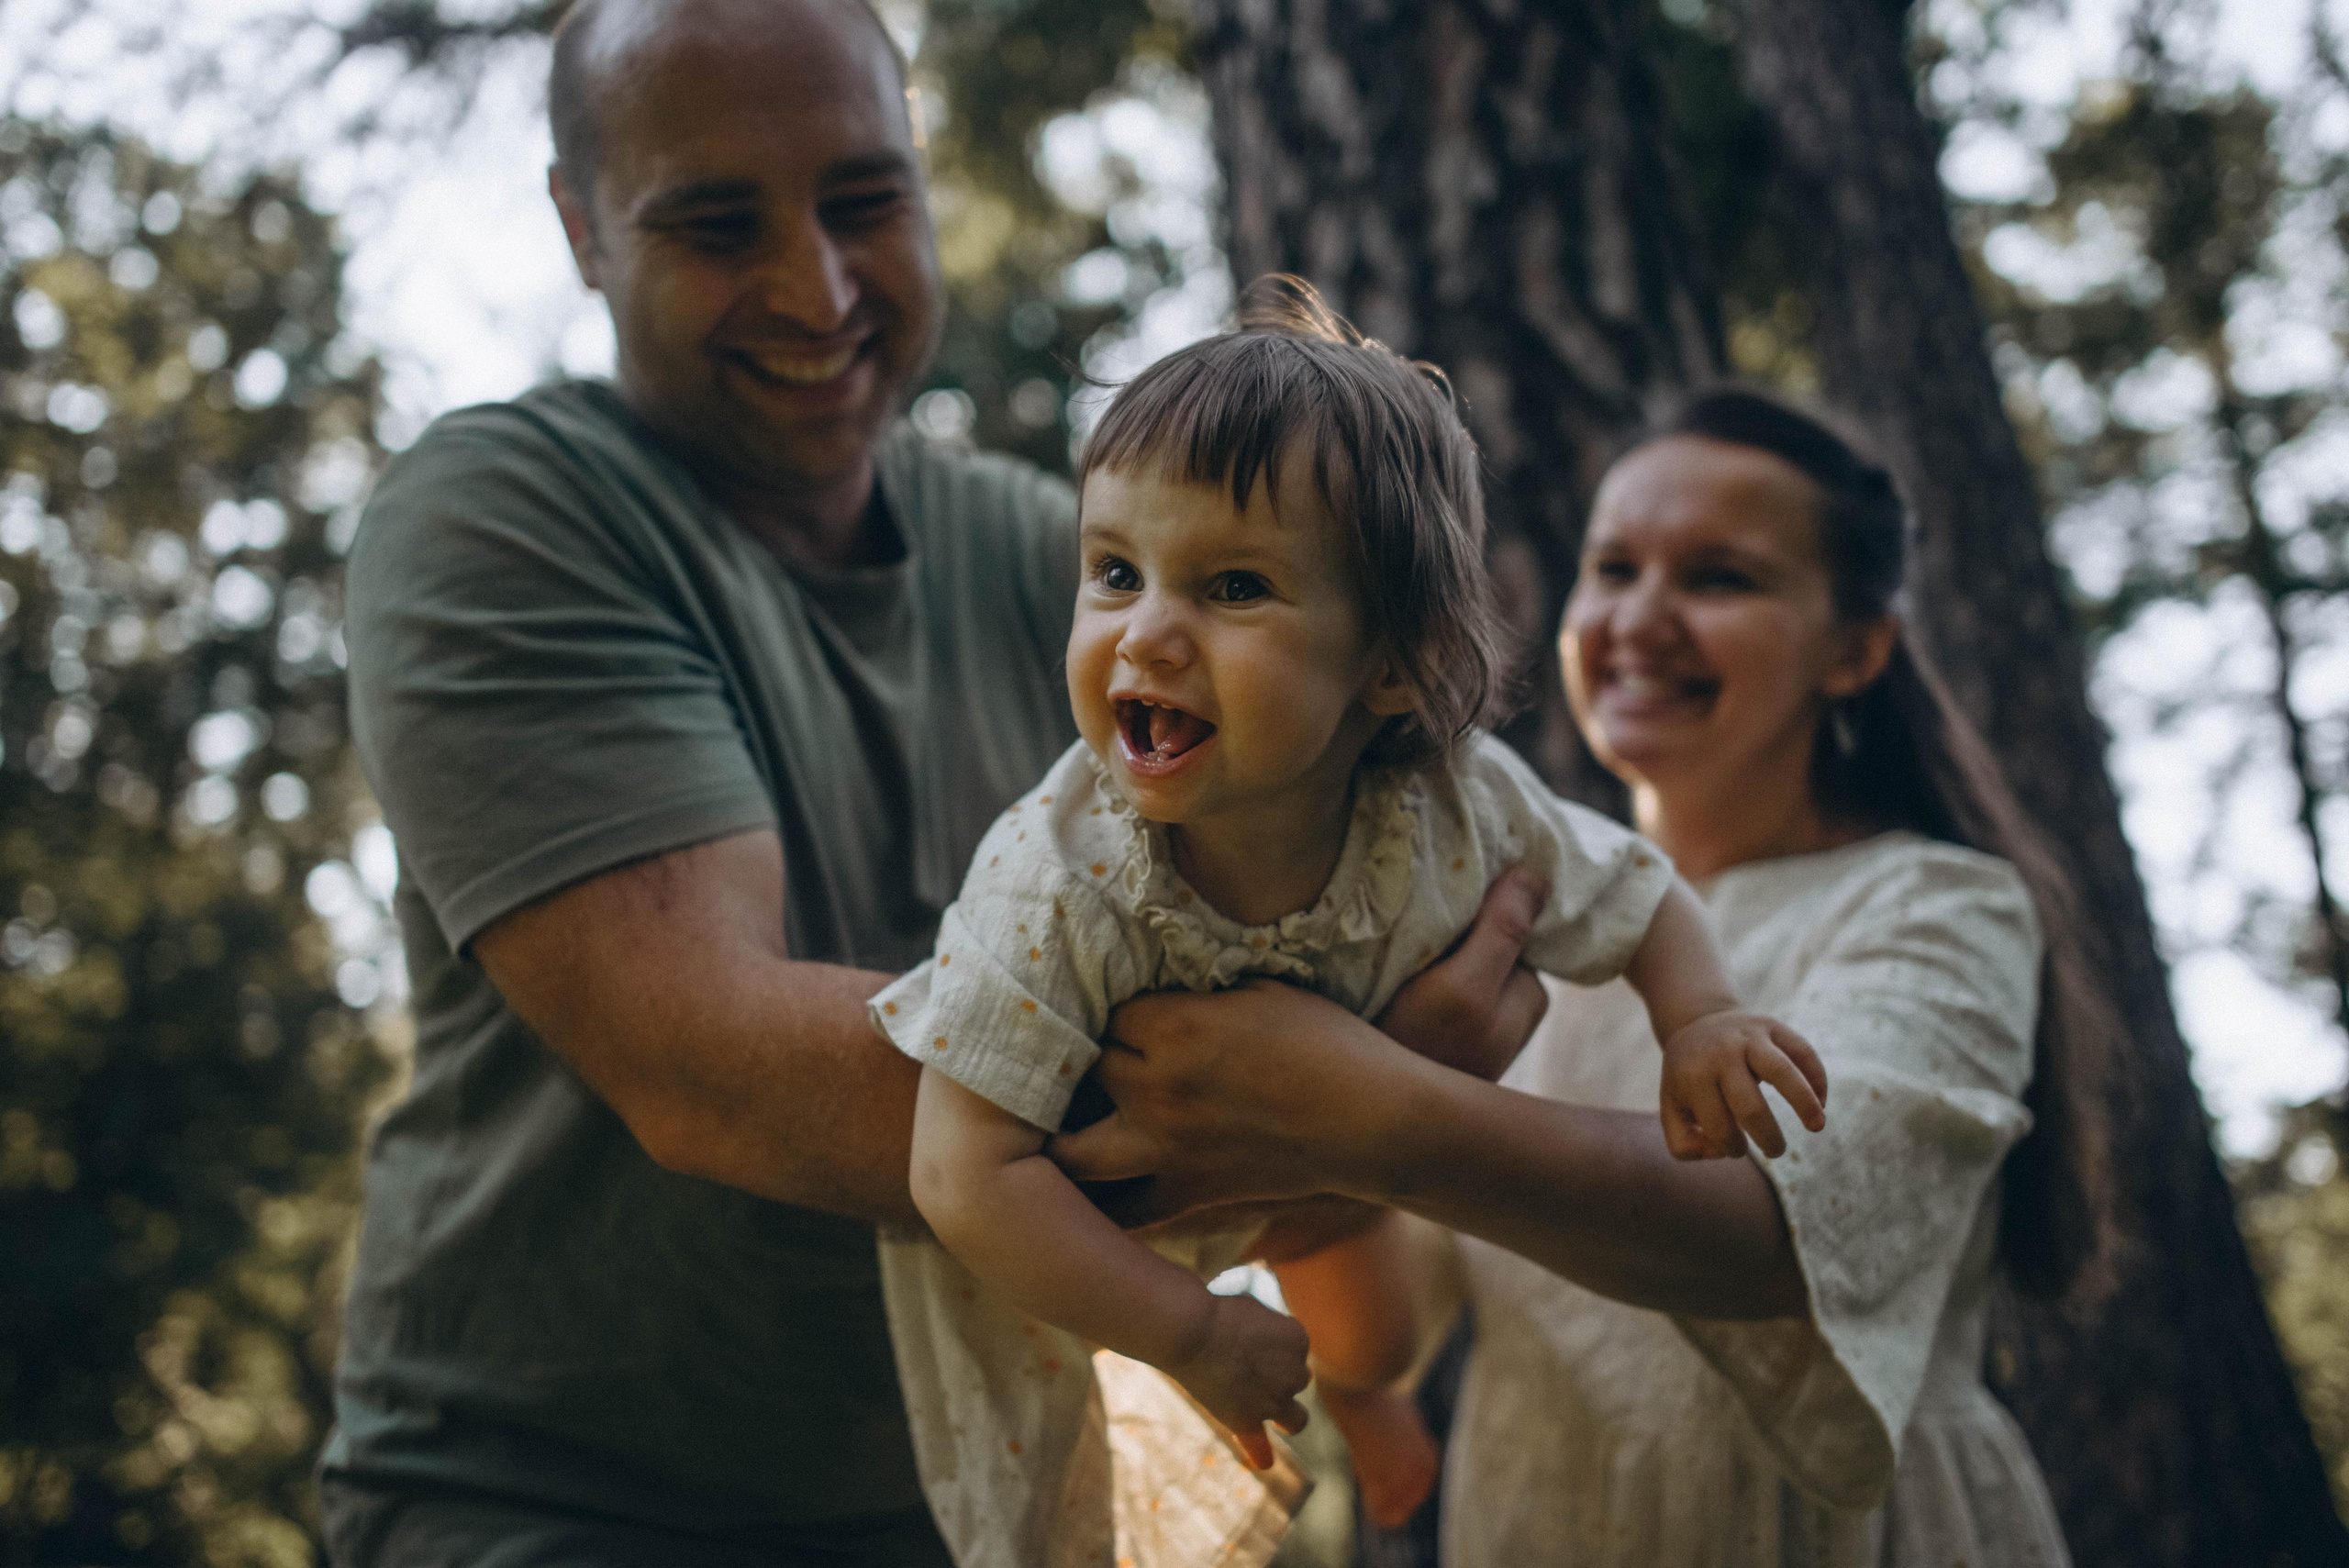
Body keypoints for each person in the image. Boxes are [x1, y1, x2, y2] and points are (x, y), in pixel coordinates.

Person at [317, 2, 1545, 1563]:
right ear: (579, 229)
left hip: (990, 1492)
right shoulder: (507, 516)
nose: (815, 287)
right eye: (714, 220)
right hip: (560, 1501)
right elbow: (714, 1068)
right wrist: (1366, 1098)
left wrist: (1360, 1109)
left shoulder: (1069, 566)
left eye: (864, 200)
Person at [1051, 388, 2111, 1565]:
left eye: (1719, 578)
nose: (1640, 617)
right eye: (1613, 569)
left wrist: (1351, 1102)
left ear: (1854, 648)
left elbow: (1778, 1231)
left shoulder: (1936, 902)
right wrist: (1298, 1166)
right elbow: (1381, 1338)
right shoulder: (1504, 926)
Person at [867, 284, 1827, 1564]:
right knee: (1063, 1504)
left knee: (1376, 1339)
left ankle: (1373, 1405)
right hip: (1078, 1258)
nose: (1146, 631)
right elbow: (960, 1172)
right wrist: (1185, 1328)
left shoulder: (1453, 805)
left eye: (1234, 586)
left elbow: (1631, 886)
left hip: (1337, 1177)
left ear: (1389, 663)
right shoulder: (1058, 873)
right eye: (1114, 572)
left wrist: (1698, 1016)